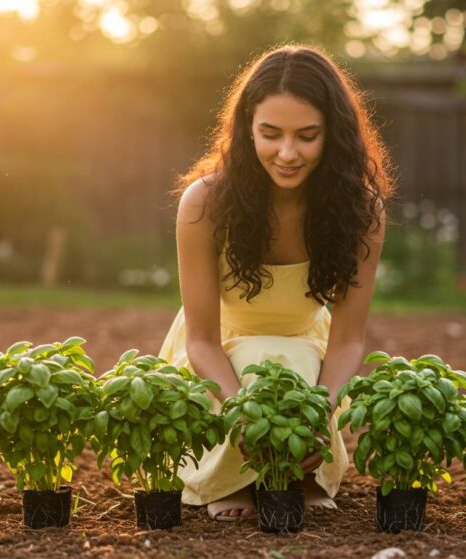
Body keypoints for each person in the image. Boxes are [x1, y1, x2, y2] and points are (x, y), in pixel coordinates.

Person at [157, 44, 395, 521]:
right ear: (247, 130)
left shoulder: (361, 209)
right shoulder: (203, 203)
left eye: (307, 136)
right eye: (270, 134)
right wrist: (239, 411)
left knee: (291, 359)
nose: (287, 153)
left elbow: (348, 340)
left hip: (304, 350)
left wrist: (320, 414)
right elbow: (201, 339)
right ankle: (229, 480)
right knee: (256, 359)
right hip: (217, 355)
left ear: (334, 136)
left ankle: (300, 472)